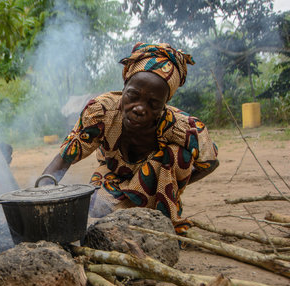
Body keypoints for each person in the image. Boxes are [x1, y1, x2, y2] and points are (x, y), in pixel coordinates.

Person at [42, 42, 219, 235]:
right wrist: (42, 192)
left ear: (165, 104)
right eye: (133, 95)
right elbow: (67, 154)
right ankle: (131, 207)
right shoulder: (102, 112)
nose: (140, 108)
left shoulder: (182, 127)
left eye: (153, 103)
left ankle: (160, 214)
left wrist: (170, 186)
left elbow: (209, 162)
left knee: (178, 155)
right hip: (113, 178)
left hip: (157, 184)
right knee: (95, 211)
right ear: (124, 86)